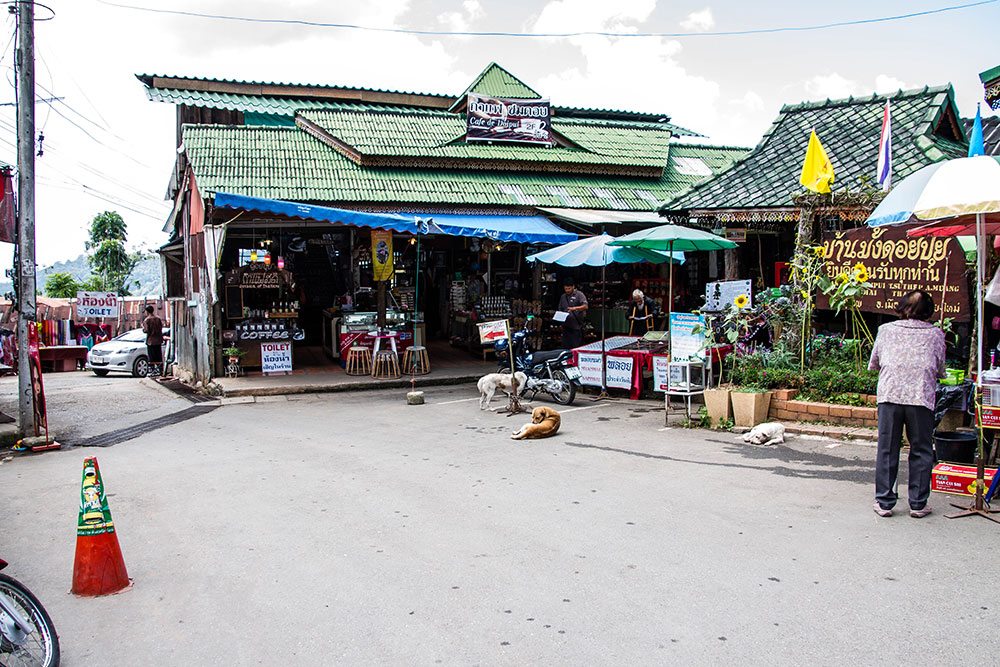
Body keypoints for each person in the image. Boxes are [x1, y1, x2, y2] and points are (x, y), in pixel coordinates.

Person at [868, 290, 945, 519]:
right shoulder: (935, 334)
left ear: (902, 308)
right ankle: (918, 504)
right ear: (928, 311)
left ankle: (884, 502)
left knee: (887, 448)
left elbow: (875, 362)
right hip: (920, 396)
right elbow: (940, 368)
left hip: (890, 395)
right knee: (921, 449)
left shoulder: (885, 330)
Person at [557, 277, 587, 349]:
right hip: (566, 327)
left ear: (573, 286)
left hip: (576, 327)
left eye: (569, 288)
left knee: (575, 347)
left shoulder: (579, 294)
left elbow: (585, 306)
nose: (567, 290)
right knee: (566, 347)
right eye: (566, 289)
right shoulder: (563, 297)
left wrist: (575, 308)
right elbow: (560, 309)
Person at [142, 305, 165, 378]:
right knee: (158, 356)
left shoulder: (147, 320)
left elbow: (146, 330)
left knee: (151, 357)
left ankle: (152, 371)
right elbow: (161, 327)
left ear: (147, 311)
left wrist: (143, 329)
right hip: (158, 340)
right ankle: (160, 370)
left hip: (150, 341)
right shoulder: (158, 319)